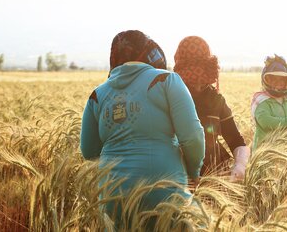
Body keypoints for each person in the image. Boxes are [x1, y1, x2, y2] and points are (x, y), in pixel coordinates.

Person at [80, 30, 205, 228]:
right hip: (166, 191)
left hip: (113, 197)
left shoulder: (97, 95)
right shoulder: (166, 80)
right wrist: (193, 172)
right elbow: (193, 137)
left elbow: (88, 151)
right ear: (149, 53)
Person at [174, 36, 250, 181]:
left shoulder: (216, 100)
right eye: (191, 81)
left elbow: (235, 140)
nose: (197, 87)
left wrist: (240, 165)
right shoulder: (170, 96)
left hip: (215, 175)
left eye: (202, 81)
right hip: (179, 178)